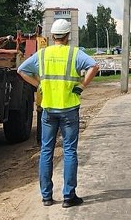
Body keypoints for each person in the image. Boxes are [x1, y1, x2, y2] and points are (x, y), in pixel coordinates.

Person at [18, 18, 98, 208]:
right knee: (70, 151)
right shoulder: (74, 53)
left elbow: (21, 70)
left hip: (48, 110)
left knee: (46, 151)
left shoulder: (42, 54)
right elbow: (94, 66)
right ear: (68, 36)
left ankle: (46, 196)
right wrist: (82, 85)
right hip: (69, 109)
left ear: (53, 36)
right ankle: (69, 196)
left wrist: (39, 85)